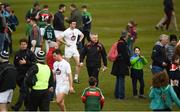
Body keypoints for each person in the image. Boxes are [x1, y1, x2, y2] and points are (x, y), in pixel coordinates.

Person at [12, 38, 36, 111]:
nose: (23, 46)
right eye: (22, 44)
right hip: (19, 76)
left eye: (24, 44)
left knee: (23, 91)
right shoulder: (17, 53)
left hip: (27, 76)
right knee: (26, 92)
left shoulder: (30, 53)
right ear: (20, 45)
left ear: (27, 45)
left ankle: (17, 107)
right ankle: (28, 107)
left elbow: (35, 64)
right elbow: (15, 64)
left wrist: (26, 62)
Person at [111, 30, 131, 99]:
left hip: (117, 63)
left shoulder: (119, 42)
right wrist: (129, 64)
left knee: (118, 79)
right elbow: (125, 55)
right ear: (125, 36)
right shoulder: (122, 44)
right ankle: (121, 96)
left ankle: (117, 95)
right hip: (122, 64)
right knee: (121, 80)